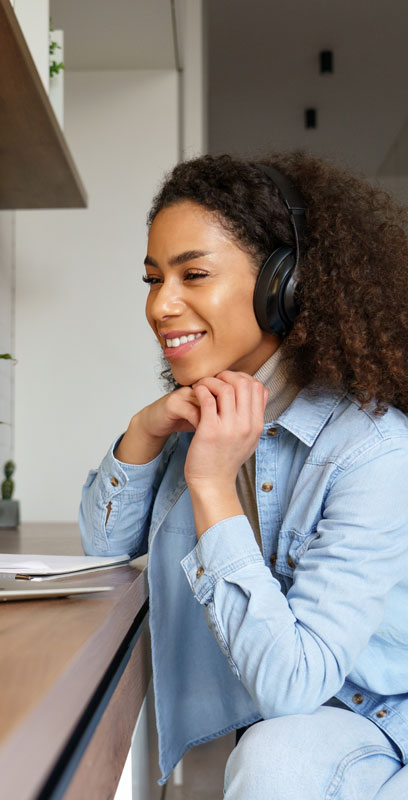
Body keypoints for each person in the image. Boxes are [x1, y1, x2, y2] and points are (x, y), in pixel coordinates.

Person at [79, 152, 408, 798]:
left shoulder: (373, 453)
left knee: (273, 760)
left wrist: (210, 486)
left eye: (192, 274)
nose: (161, 306)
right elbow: (103, 550)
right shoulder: (206, 412)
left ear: (282, 284)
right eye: (152, 280)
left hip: (373, 725)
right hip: (259, 723)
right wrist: (143, 433)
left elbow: (294, 685)